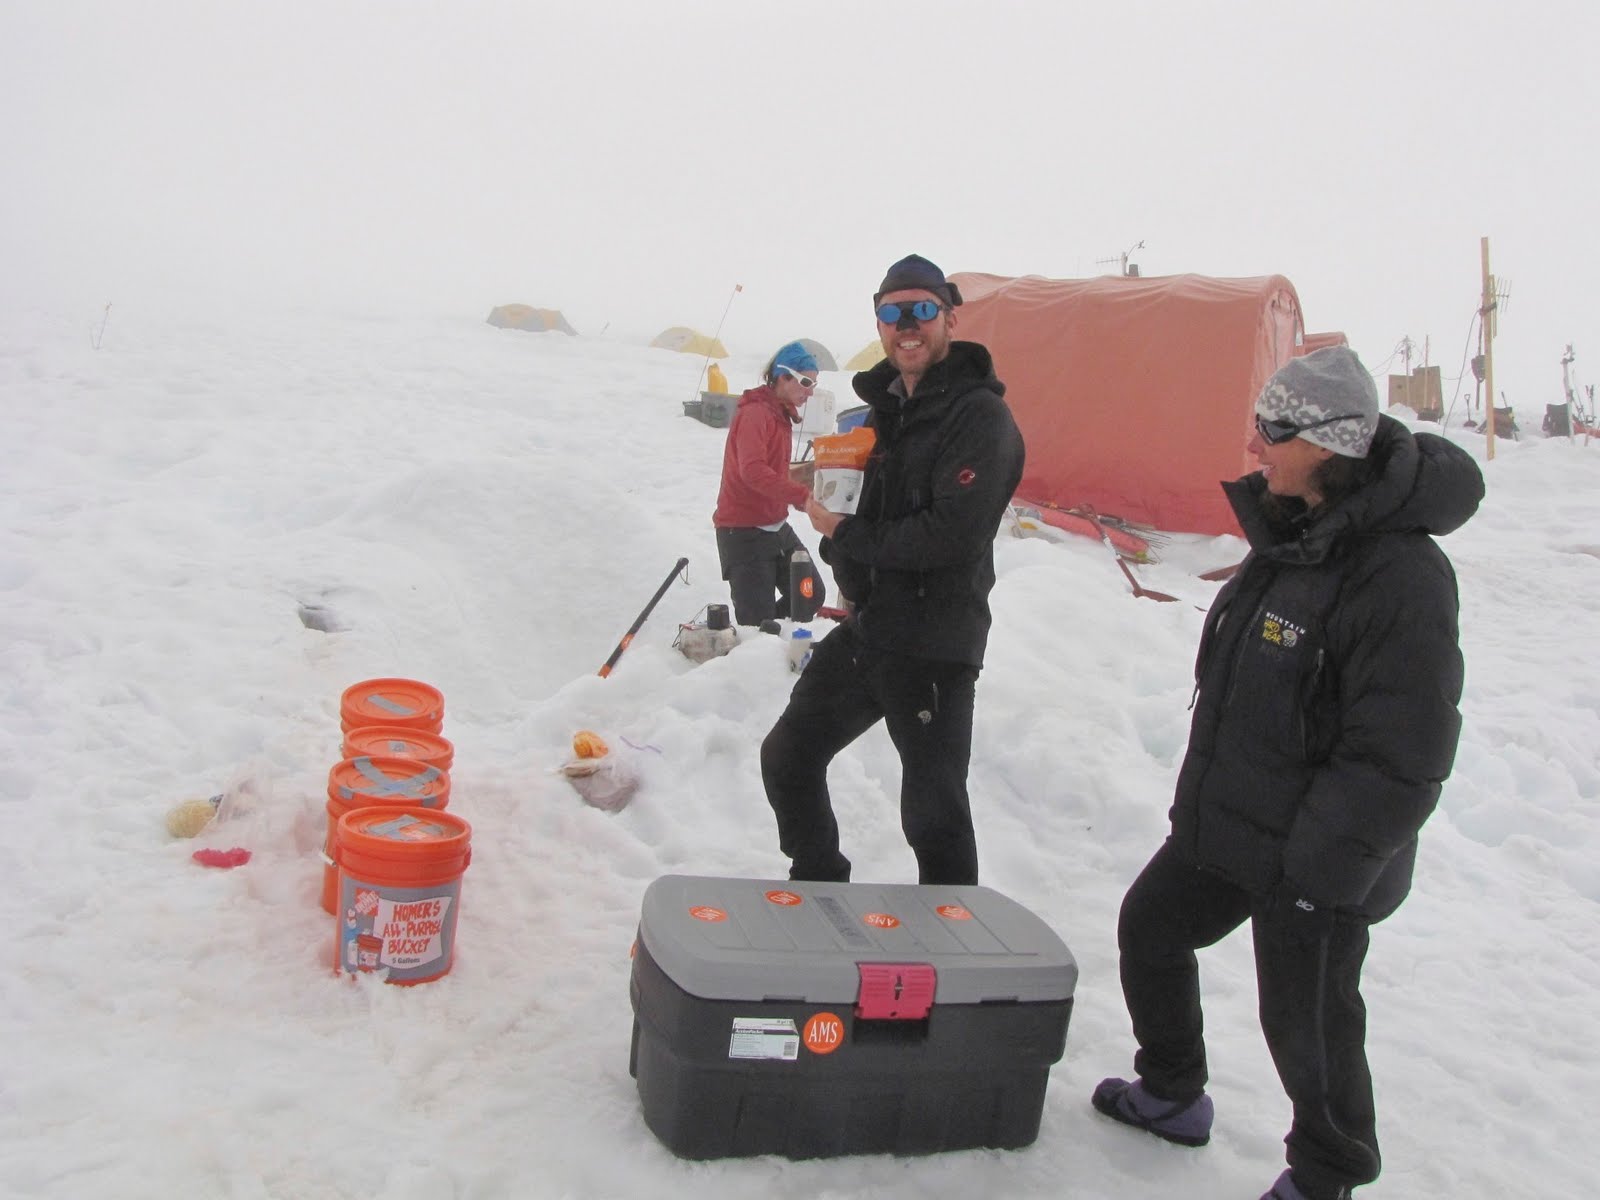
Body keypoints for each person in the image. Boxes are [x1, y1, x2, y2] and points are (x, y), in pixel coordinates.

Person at [1090, 347, 1485, 1200]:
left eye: (1273, 430)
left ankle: (1326, 1175)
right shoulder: (1295, 530)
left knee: (1308, 1023)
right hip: (1237, 821)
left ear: (1329, 443)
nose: (1255, 444)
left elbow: (1403, 754)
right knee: (1151, 930)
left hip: (1319, 855)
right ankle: (1172, 1092)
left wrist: (1319, 877)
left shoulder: (1401, 576)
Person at [759, 254, 1025, 885]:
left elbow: (951, 534)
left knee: (933, 814)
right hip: (872, 628)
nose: (907, 325)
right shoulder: (884, 413)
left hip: (935, 644)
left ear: (950, 319)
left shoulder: (981, 419)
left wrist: (844, 532)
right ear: (878, 325)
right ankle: (819, 880)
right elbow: (870, 511)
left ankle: (951, 921)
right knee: (789, 756)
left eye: (923, 310)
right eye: (892, 313)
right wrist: (833, 512)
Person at [712, 340, 827, 629]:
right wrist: (801, 496)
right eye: (805, 382)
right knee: (757, 623)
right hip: (743, 532)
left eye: (814, 384)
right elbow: (752, 471)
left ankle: (772, 636)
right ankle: (760, 641)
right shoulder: (756, 413)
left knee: (809, 595)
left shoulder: (780, 414)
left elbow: (773, 471)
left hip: (776, 527)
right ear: (782, 377)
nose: (810, 392)